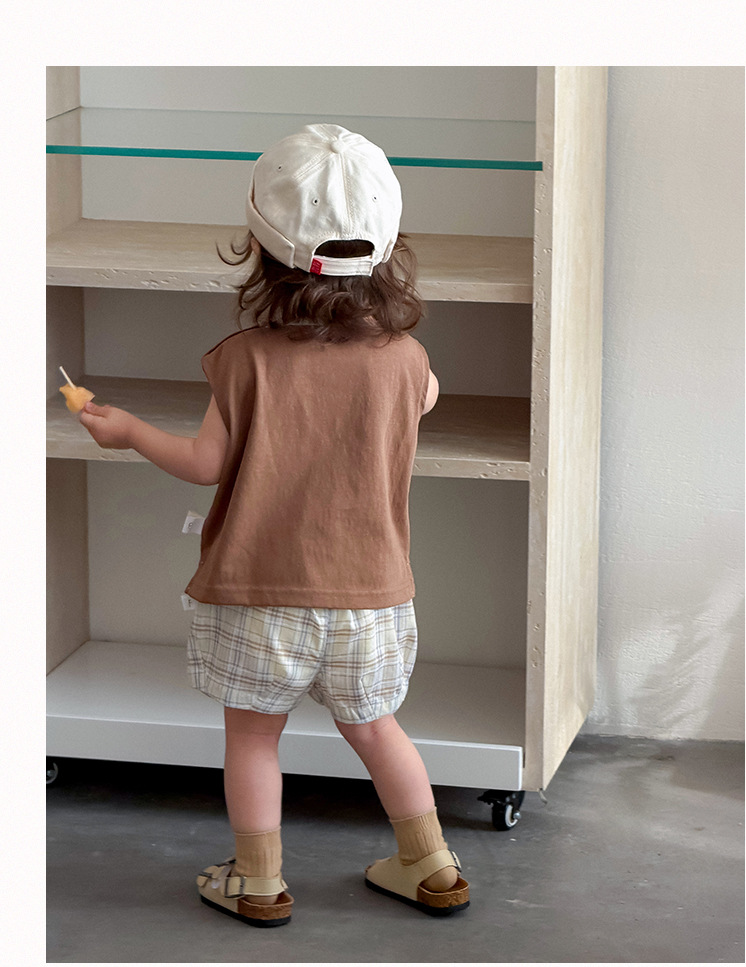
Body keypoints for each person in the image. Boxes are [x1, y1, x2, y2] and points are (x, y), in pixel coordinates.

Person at [78, 124, 469, 927]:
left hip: (258, 594)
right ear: (387, 248)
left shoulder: (243, 358)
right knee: (378, 729)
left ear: (259, 247)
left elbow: (204, 463)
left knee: (254, 739)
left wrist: (130, 432)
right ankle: (431, 862)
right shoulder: (408, 360)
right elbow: (423, 401)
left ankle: (257, 881)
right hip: (371, 598)